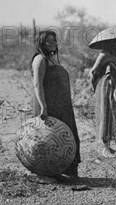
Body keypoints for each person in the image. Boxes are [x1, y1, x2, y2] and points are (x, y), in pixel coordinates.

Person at [31, 30, 81, 178]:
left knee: (66, 137)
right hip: (48, 105)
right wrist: (43, 107)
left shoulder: (53, 59)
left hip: (63, 106)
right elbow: (37, 85)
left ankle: (67, 169)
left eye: (54, 40)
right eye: (49, 41)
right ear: (41, 43)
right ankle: (49, 173)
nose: (53, 44)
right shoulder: (40, 59)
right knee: (49, 139)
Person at [90, 40, 116, 157]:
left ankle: (110, 145)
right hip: (108, 87)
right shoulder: (104, 54)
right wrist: (99, 82)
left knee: (115, 114)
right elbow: (93, 71)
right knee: (106, 114)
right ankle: (105, 147)